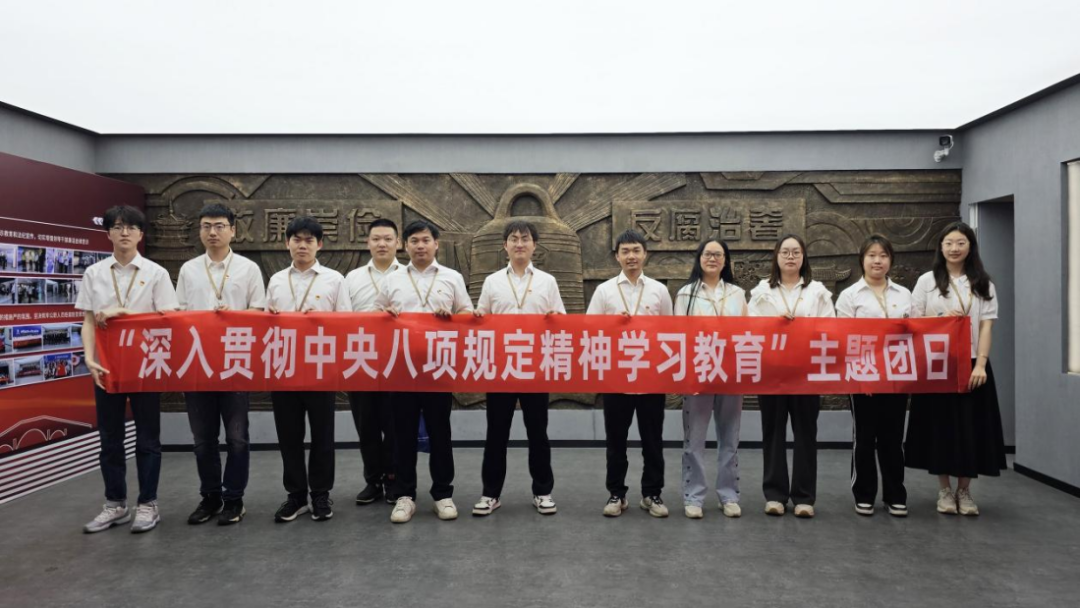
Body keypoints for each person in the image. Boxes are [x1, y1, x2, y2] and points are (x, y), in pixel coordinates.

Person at [77, 205, 179, 534]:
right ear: (108, 233)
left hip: (146, 364)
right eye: (118, 227)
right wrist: (88, 358)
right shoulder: (94, 273)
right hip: (106, 366)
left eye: (131, 227)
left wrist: (123, 313)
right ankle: (115, 504)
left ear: (140, 234)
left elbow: (169, 318)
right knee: (110, 439)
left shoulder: (156, 273)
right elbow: (88, 320)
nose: (124, 232)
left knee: (148, 439)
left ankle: (148, 504)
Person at [375, 219, 473, 524]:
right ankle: (405, 495)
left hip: (438, 367)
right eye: (414, 241)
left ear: (436, 244)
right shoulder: (392, 279)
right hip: (401, 367)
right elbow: (375, 315)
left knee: (440, 432)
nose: (420, 246)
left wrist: (453, 318)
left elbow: (467, 312)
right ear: (405, 246)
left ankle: (443, 494)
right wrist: (385, 314)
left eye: (426, 240)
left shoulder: (452, 277)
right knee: (401, 434)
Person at [905, 221, 1006, 515]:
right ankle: (944, 491)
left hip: (973, 364)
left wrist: (981, 364)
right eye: (949, 243)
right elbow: (913, 322)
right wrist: (940, 318)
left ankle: (965, 491)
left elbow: (986, 326)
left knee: (971, 428)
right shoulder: (927, 281)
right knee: (942, 428)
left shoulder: (983, 283)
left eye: (961, 243)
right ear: (941, 247)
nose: (954, 248)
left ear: (970, 247)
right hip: (938, 365)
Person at [175, 203, 267, 525]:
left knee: (237, 438)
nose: (212, 232)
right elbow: (179, 313)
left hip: (234, 364)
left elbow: (260, 312)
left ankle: (234, 499)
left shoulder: (248, 269)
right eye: (206, 226)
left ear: (233, 230)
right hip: (198, 363)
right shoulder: (189, 270)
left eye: (219, 226)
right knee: (203, 440)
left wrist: (235, 316)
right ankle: (210, 497)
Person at [472, 220, 565, 517]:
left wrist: (555, 318)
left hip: (535, 367)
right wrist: (476, 316)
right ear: (505, 245)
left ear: (534, 245)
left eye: (525, 239)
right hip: (501, 367)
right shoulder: (492, 281)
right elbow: (482, 317)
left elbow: (561, 319)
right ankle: (490, 494)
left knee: (538, 433)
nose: (520, 244)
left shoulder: (547, 281)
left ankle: (543, 492)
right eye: (514, 239)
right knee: (496, 433)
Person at [265, 216, 351, 523]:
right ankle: (296, 496)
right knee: (289, 436)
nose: (302, 245)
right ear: (287, 243)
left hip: (320, 367)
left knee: (322, 436)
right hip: (284, 366)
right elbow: (264, 325)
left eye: (309, 240)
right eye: (297, 239)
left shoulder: (334, 279)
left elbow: (347, 322)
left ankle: (320, 494)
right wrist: (270, 316)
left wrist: (324, 320)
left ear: (319, 244)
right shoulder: (276, 280)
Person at [587, 229, 674, 518]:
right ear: (617, 256)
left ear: (645, 254)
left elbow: (670, 332)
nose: (631, 256)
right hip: (617, 377)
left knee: (653, 441)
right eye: (625, 251)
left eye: (636, 250)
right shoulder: (605, 291)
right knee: (616, 441)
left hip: (651, 378)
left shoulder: (659, 290)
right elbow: (590, 330)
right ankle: (616, 494)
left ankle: (652, 494)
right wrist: (612, 325)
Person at [748, 233, 835, 518]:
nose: (790, 257)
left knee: (805, 434)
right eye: (785, 252)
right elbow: (750, 328)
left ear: (803, 257)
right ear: (776, 256)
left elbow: (830, 327)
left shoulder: (817, 291)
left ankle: (804, 497)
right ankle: (775, 495)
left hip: (806, 373)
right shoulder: (762, 291)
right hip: (772, 372)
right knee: (772, 432)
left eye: (796, 252)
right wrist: (775, 324)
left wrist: (805, 327)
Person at [835, 234, 914, 517]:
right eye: (872, 255)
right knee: (865, 437)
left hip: (897, 376)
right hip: (863, 377)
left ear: (890, 260)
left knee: (893, 438)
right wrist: (862, 376)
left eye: (883, 255)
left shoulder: (904, 294)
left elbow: (916, 335)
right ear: (862, 260)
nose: (877, 260)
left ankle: (895, 495)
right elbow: (845, 340)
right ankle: (864, 493)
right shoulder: (850, 296)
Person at [675, 238, 746, 519]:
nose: (712, 258)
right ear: (699, 258)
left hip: (731, 375)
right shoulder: (686, 294)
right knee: (694, 440)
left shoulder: (737, 294)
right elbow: (678, 336)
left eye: (718, 254)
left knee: (730, 439)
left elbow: (747, 333)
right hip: (698, 373)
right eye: (708, 254)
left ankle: (729, 495)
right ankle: (694, 496)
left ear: (726, 261)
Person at [344, 218, 402, 505]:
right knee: (365, 424)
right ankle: (372, 480)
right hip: (360, 359)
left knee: (394, 425)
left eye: (388, 239)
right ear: (367, 243)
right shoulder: (351, 278)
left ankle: (393, 478)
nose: (382, 244)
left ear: (398, 243)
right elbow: (341, 318)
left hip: (397, 361)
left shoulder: (408, 276)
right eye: (376, 239)